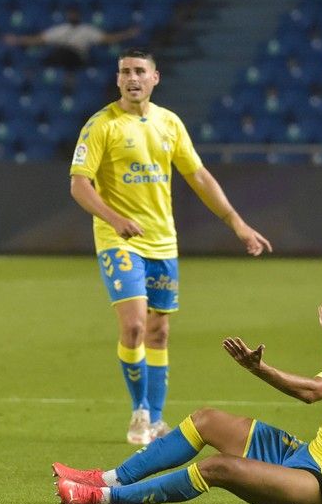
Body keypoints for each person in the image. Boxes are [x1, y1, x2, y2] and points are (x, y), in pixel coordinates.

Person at [54, 278, 322, 504]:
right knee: (206, 421)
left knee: (218, 468)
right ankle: (107, 477)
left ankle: (104, 498)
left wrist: (258, 369)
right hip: (306, 457)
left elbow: (311, 392)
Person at [69, 48, 271, 446]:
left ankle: (157, 419)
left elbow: (198, 176)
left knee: (159, 333)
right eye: (125, 71)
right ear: (117, 79)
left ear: (154, 78)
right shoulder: (101, 125)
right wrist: (114, 220)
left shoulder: (169, 124)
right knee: (134, 325)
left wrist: (238, 223)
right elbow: (79, 184)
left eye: (139, 71)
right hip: (118, 241)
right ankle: (139, 412)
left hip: (163, 242)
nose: (132, 78)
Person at [3, 8, 137, 70]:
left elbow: (107, 39)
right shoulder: (61, 29)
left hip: (78, 58)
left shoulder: (87, 30)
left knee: (64, 53)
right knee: (55, 52)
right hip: (60, 56)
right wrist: (17, 40)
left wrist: (128, 34)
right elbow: (39, 39)